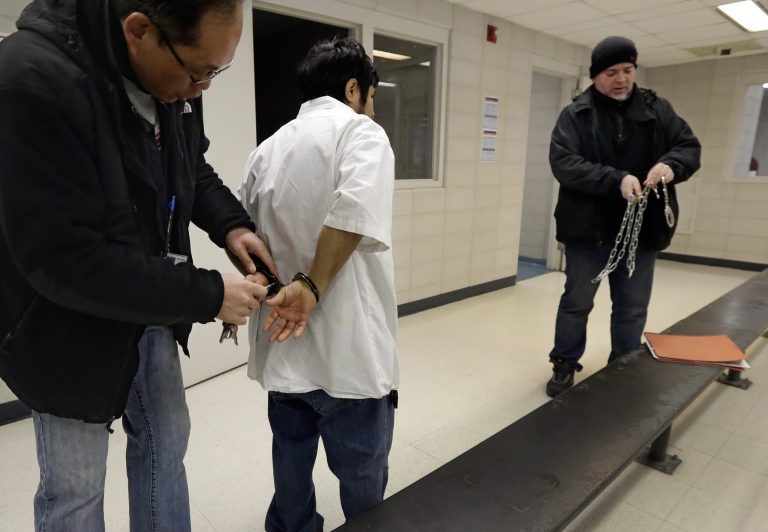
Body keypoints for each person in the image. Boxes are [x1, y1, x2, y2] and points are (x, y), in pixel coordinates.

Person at [0, 1, 274, 530]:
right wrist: (210, 294)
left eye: (218, 72)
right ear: (140, 30)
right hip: (64, 327)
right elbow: (65, 260)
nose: (204, 88)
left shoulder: (172, 81)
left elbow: (189, 166)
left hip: (151, 300)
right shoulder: (30, 81)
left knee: (165, 446)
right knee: (74, 488)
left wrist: (233, 227)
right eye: (201, 72)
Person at [239, 37, 398, 531]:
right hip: (348, 354)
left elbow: (247, 239)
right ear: (354, 88)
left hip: (283, 344)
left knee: (290, 462)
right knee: (362, 475)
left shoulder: (265, 150)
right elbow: (352, 212)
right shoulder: (361, 134)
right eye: (370, 95)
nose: (370, 107)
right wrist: (310, 283)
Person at [545, 36, 701, 397]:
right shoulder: (576, 115)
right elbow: (565, 164)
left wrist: (670, 165)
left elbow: (688, 146)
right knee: (576, 303)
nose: (621, 79)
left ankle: (623, 367)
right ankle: (565, 362)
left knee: (631, 307)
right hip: (588, 231)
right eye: (611, 72)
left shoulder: (657, 109)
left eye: (628, 70)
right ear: (595, 76)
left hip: (641, 233)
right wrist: (616, 179)